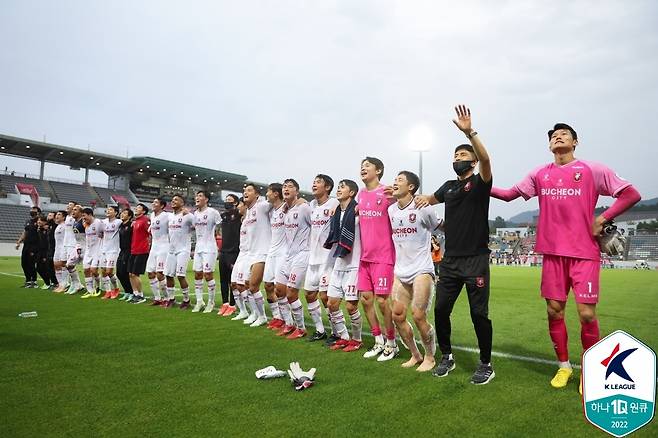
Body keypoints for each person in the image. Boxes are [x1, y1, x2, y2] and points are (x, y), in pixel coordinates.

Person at [490, 122, 641, 391]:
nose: (558, 137)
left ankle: (592, 371)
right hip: (552, 253)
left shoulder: (593, 170)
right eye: (553, 136)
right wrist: (480, 184)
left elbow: (631, 194)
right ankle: (564, 367)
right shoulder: (539, 173)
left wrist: (604, 217)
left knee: (585, 314)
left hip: (584, 253)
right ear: (549, 145)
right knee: (553, 310)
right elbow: (509, 194)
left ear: (575, 142)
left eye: (564, 135)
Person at [414, 105, 495, 384]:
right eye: (455, 155)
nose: (457, 158)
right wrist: (404, 195)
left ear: (472, 161)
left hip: (476, 259)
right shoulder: (448, 186)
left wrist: (469, 132)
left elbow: (486, 159)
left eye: (463, 155)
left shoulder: (481, 182)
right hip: (450, 261)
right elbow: (427, 198)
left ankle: (486, 362)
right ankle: (447, 356)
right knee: (440, 310)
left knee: (478, 314)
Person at [389, 171, 443, 371]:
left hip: (422, 269)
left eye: (399, 180)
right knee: (397, 315)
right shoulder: (391, 210)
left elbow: (441, 227)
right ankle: (415, 354)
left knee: (418, 315)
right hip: (401, 270)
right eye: (394, 180)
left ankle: (430, 357)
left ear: (411, 187)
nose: (395, 183)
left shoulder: (422, 207)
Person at [357, 157, 398, 361]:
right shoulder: (361, 194)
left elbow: (403, 206)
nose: (363, 168)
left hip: (383, 255)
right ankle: (378, 340)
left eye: (367, 166)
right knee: (366, 300)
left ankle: (392, 343)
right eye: (361, 166)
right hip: (365, 257)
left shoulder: (388, 192)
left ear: (379, 170)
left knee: (382, 301)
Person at [324, 179, 364, 352]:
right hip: (339, 262)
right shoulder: (336, 213)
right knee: (331, 304)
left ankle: (357, 339)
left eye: (342, 187)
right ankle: (343, 336)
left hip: (354, 264)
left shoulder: (358, 210)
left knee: (350, 306)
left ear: (352, 192)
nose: (339, 189)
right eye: (338, 187)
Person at [274, 179, 312, 339]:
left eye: (290, 187)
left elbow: (315, 224)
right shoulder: (284, 210)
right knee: (279, 290)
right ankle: (289, 323)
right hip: (287, 256)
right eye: (284, 186)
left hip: (302, 255)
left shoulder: (304, 208)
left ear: (297, 191)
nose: (286, 189)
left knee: (291, 293)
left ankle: (301, 328)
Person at [304, 174, 340, 343]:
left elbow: (350, 204)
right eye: (314, 181)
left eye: (318, 182)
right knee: (310, 294)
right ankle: (320, 330)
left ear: (327, 187)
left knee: (325, 297)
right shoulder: (310, 205)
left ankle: (336, 332)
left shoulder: (334, 203)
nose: (314, 184)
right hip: (313, 258)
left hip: (328, 258)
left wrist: (339, 208)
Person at [241, 183, 272, 326]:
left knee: (254, 286)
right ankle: (256, 314)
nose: (245, 192)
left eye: (249, 190)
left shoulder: (261, 205)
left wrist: (300, 201)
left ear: (257, 195)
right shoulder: (248, 212)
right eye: (244, 190)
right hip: (251, 253)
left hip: (263, 251)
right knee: (248, 284)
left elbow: (276, 203)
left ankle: (262, 316)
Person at [192, 190, 222, 313]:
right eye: (196, 196)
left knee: (208, 275)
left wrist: (219, 236)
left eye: (200, 196)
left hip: (209, 247)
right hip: (199, 247)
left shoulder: (212, 212)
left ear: (206, 199)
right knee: (197, 274)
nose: (197, 198)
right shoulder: (194, 214)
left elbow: (220, 225)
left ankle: (211, 301)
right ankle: (199, 301)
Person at [264, 183, 288, 330]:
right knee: (267, 285)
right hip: (271, 252)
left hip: (284, 253)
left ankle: (287, 320)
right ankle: (277, 316)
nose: (266, 194)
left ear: (276, 194)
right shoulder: (270, 210)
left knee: (280, 289)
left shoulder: (287, 208)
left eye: (268, 191)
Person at [164, 195, 194, 308]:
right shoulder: (169, 216)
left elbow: (198, 225)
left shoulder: (187, 215)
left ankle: (186, 300)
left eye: (176, 200)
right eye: (172, 199)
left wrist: (190, 214)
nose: (173, 201)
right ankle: (171, 299)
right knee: (168, 275)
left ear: (182, 203)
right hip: (171, 250)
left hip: (183, 249)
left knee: (180, 275)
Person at [228, 198, 252, 319]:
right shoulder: (242, 220)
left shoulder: (254, 219)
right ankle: (243, 311)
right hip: (241, 253)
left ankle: (255, 313)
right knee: (233, 284)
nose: (237, 207)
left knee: (243, 284)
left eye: (239, 204)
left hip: (250, 254)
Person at [217, 194, 241, 316]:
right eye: (226, 200)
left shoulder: (239, 215)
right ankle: (225, 303)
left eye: (229, 200)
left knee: (232, 281)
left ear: (236, 203)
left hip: (234, 252)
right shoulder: (223, 216)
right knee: (223, 280)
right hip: (223, 252)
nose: (227, 202)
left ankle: (233, 305)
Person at [146, 198, 170, 306]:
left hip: (164, 247)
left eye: (156, 202)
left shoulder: (166, 215)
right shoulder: (152, 215)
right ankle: (157, 298)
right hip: (154, 247)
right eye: (153, 201)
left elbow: (177, 217)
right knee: (150, 273)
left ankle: (167, 298)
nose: (153, 203)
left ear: (162, 206)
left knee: (160, 274)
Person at [128, 203, 150, 304]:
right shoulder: (135, 221)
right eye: (136, 208)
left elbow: (150, 232)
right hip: (133, 250)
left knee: (135, 274)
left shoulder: (145, 220)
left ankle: (141, 295)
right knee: (130, 274)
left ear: (144, 211)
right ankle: (135, 293)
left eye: (139, 208)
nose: (136, 209)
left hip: (142, 250)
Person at [99, 206, 122, 299]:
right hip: (104, 249)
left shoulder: (119, 222)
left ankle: (116, 288)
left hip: (113, 250)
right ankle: (108, 291)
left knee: (109, 271)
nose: (108, 211)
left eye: (110, 210)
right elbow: (100, 233)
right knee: (103, 271)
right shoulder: (103, 222)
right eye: (107, 210)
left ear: (116, 213)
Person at [80, 208, 103, 299]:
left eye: (84, 215)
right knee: (86, 270)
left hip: (97, 250)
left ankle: (98, 286)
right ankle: (90, 290)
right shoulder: (85, 224)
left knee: (93, 271)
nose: (83, 218)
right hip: (88, 250)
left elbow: (104, 233)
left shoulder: (98, 223)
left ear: (90, 215)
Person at [16, 206, 40, 288]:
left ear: (38, 212)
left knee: (31, 263)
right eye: (31, 210)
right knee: (24, 263)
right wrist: (19, 241)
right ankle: (28, 280)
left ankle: (34, 281)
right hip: (26, 245)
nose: (32, 211)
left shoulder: (39, 221)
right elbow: (25, 232)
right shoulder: (28, 221)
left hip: (34, 245)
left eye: (34, 210)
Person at [64, 204, 86, 295]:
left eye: (75, 210)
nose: (73, 211)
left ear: (81, 213)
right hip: (77, 246)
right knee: (69, 265)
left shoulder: (84, 222)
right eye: (73, 209)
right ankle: (77, 285)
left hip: (86, 247)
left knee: (89, 269)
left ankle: (94, 288)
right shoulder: (75, 222)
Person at [117, 208, 134, 300]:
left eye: (125, 213)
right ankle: (127, 291)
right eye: (122, 213)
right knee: (119, 273)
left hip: (129, 251)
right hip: (122, 250)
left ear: (130, 216)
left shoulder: (131, 225)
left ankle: (131, 292)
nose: (122, 214)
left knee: (125, 272)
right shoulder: (120, 225)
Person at [35, 214, 57, 289]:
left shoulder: (48, 229)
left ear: (45, 222)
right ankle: (47, 282)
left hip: (46, 252)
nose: (38, 222)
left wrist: (45, 255)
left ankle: (53, 283)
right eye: (38, 220)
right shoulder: (39, 229)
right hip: (40, 252)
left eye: (40, 220)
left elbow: (48, 243)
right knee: (38, 267)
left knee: (48, 268)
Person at [52, 210, 69, 292]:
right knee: (56, 266)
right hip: (57, 248)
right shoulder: (58, 226)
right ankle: (60, 284)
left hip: (63, 248)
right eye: (56, 214)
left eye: (59, 214)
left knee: (62, 265)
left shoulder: (65, 226)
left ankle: (64, 285)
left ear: (64, 217)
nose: (56, 216)